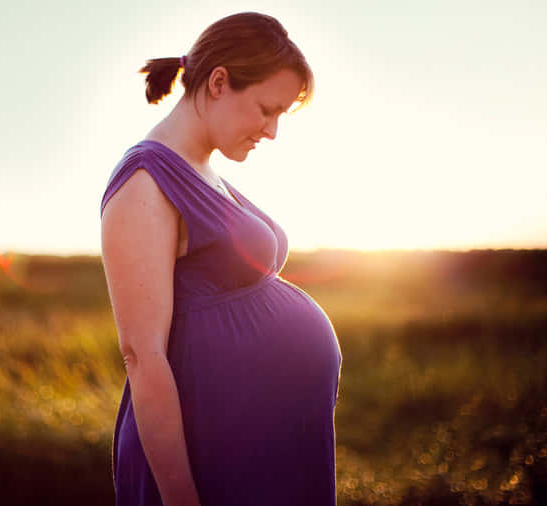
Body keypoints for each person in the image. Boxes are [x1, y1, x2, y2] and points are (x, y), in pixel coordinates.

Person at [99, 12, 342, 506]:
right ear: (218, 83)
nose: (272, 131)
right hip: (210, 455)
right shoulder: (144, 182)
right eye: (266, 110)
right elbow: (143, 358)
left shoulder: (202, 168)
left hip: (259, 447)